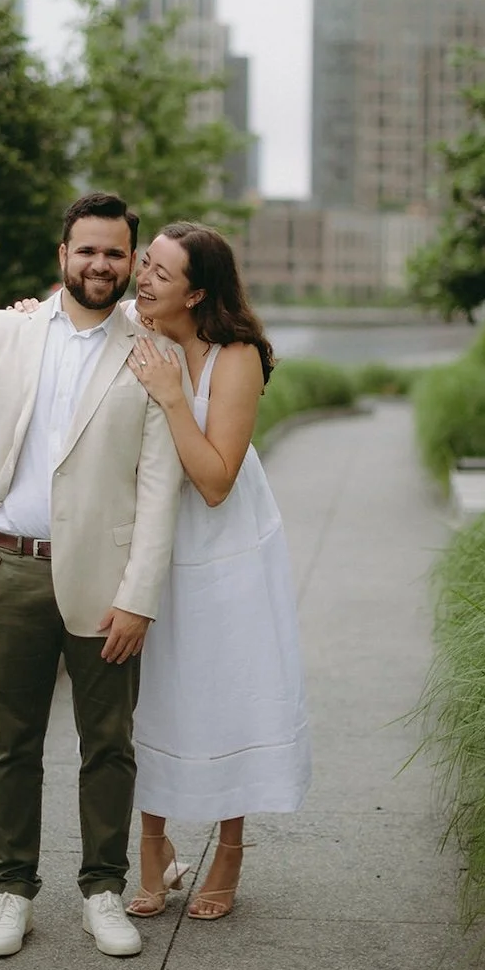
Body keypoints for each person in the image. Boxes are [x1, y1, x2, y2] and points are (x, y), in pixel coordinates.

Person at [0, 192, 184, 960]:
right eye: (87, 251)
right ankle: (12, 891)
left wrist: (139, 596)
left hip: (108, 584)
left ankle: (103, 892)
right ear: (62, 255)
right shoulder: (2, 331)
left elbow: (157, 487)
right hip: (9, 569)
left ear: (132, 261)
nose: (101, 265)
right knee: (13, 742)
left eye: (116, 253)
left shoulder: (151, 352)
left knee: (108, 743)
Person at [122, 221, 311, 920]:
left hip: (229, 548)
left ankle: (229, 851)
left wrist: (173, 396)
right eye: (145, 264)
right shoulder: (136, 327)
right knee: (154, 695)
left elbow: (215, 482)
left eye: (161, 273)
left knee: (227, 691)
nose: (143, 278)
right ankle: (154, 848)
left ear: (197, 293)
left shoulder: (236, 358)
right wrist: (27, 310)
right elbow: (64, 315)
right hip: (154, 546)